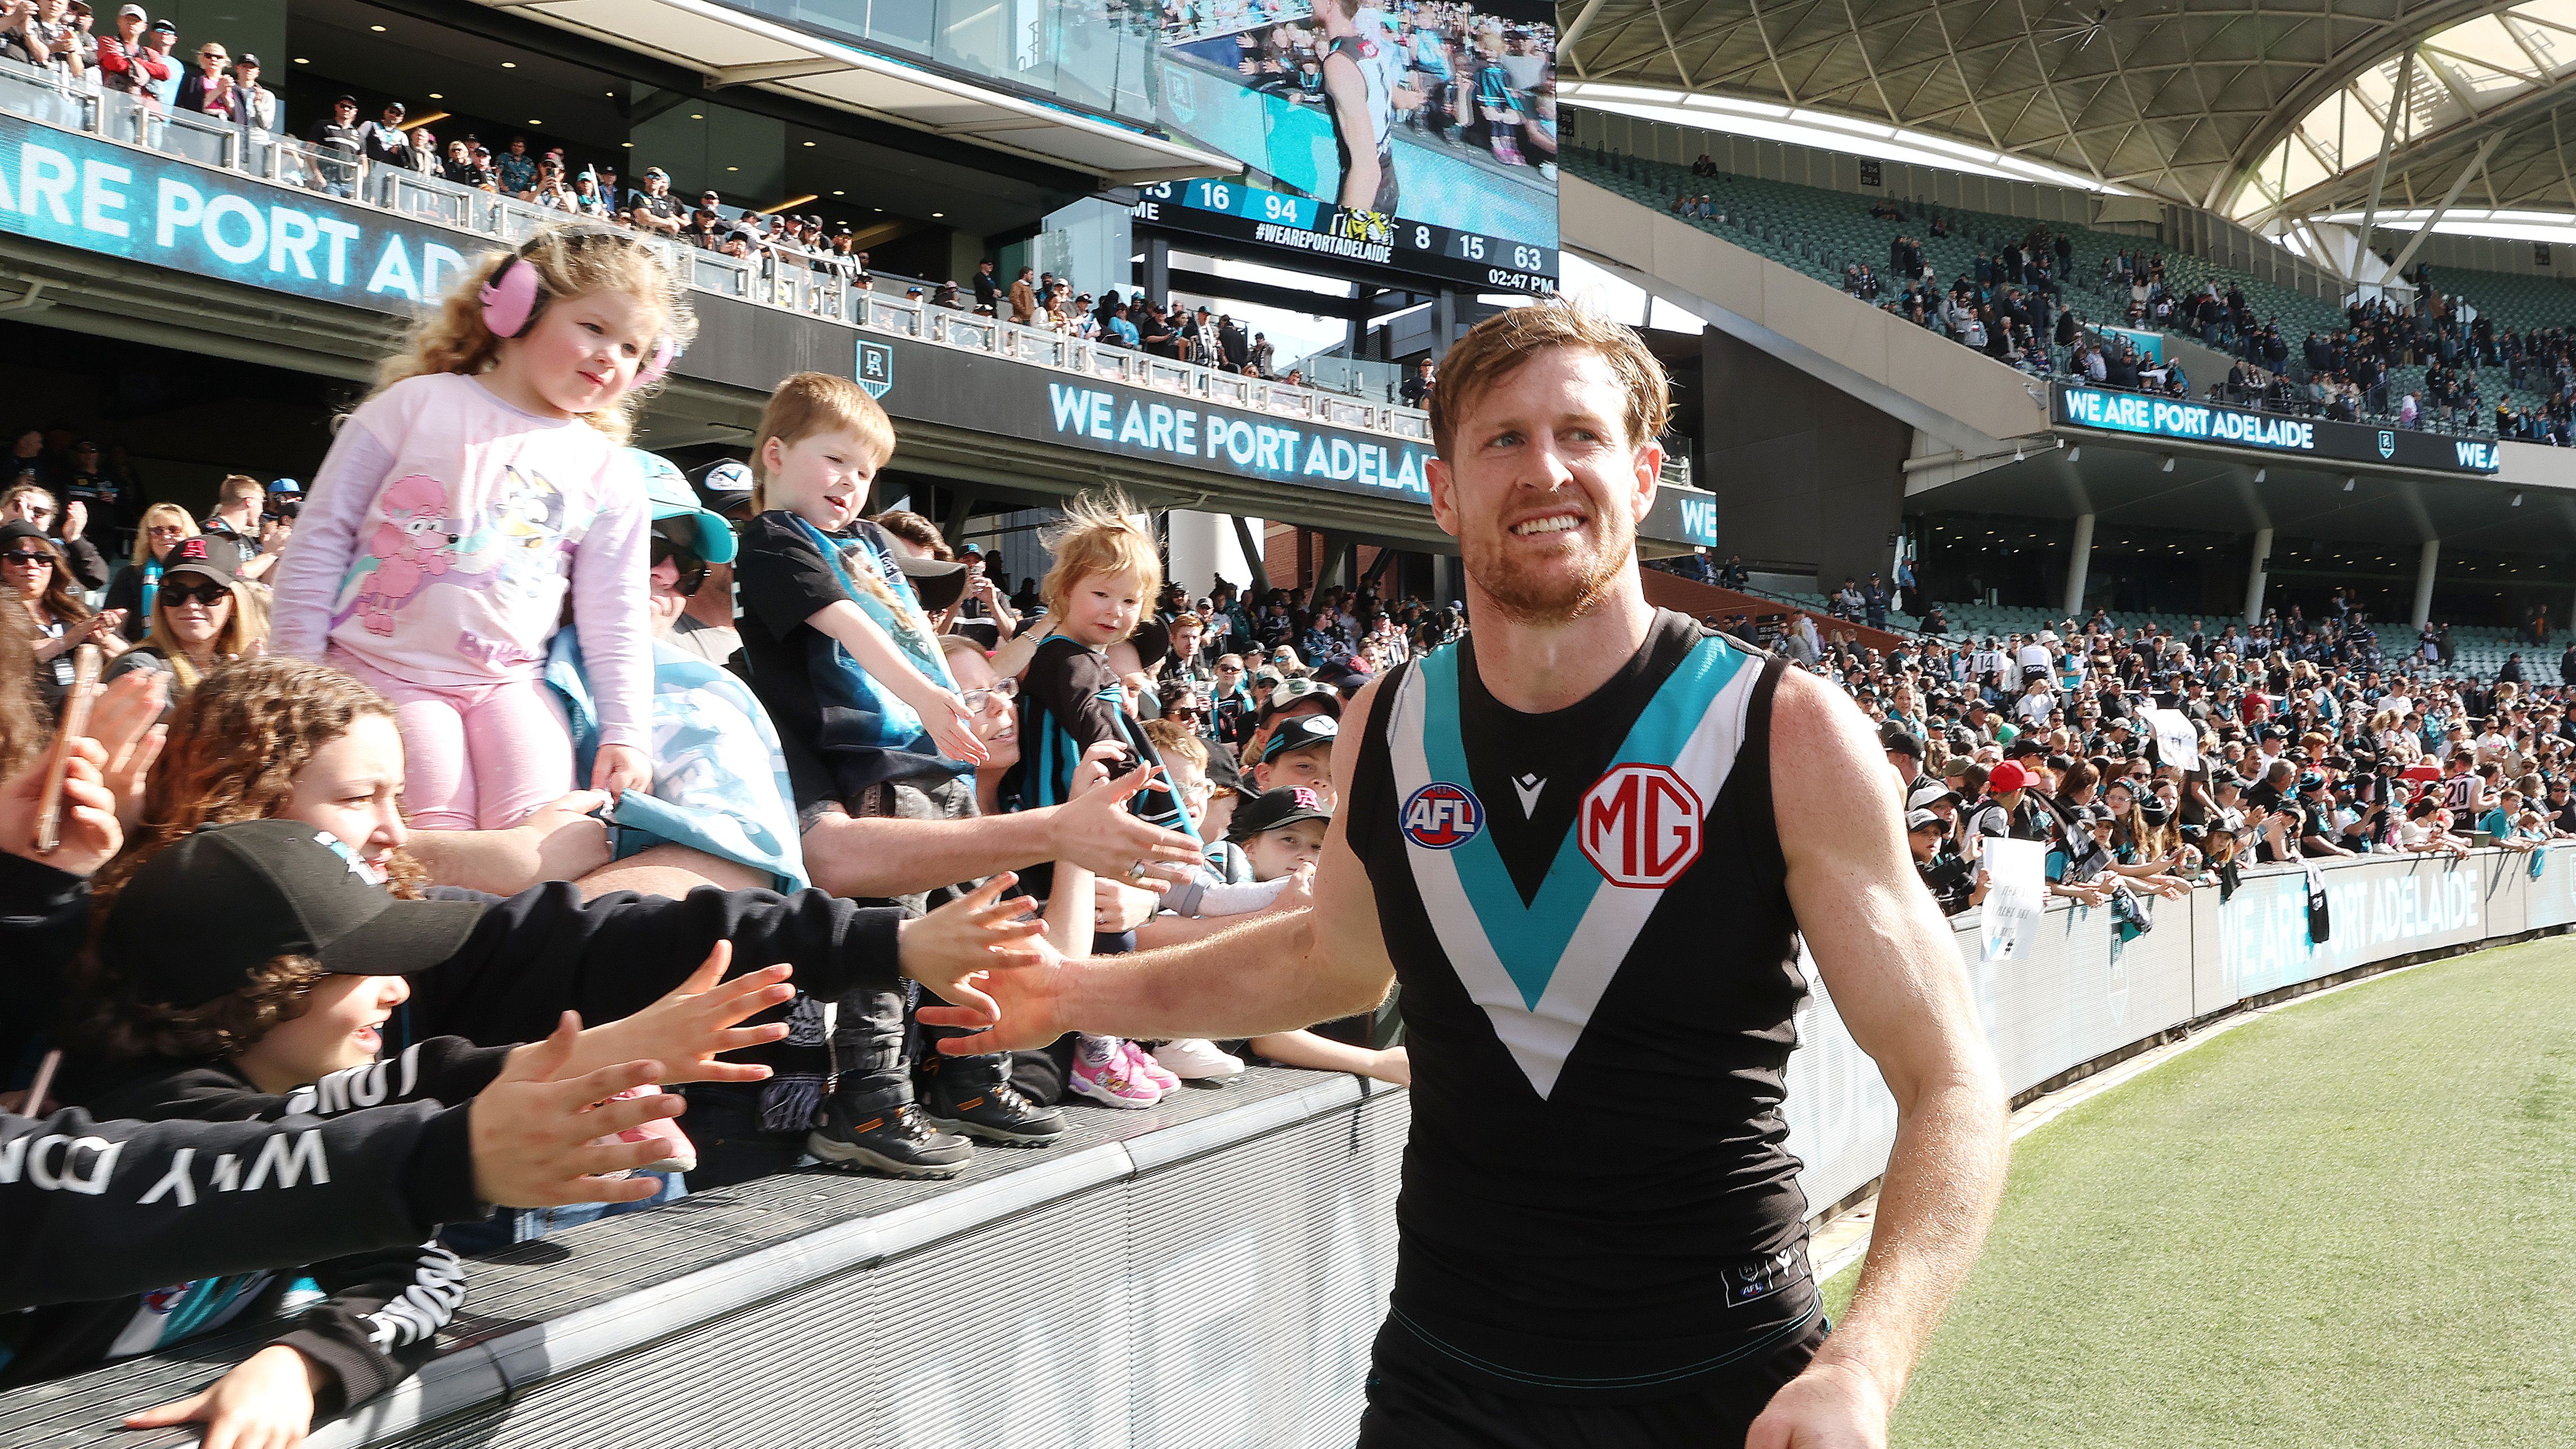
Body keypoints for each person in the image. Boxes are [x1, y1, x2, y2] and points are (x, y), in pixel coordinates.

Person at [923, 298, 2008, 1446]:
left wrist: (1864, 1367)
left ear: (1642, 477)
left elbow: (1949, 1081)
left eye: (1580, 435)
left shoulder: (1785, 729)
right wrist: (1073, 992)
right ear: (1443, 492)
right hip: (1447, 1380)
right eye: (1503, 439)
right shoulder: (1388, 721)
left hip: (1719, 1374)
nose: (1545, 469)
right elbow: (1328, 959)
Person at [268, 225, 693, 832]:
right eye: (594, 328)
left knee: (546, 834)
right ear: (519, 307)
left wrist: (627, 731)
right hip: (382, 673)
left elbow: (616, 614)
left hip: (514, 685)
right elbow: (318, 544)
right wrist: (296, 679)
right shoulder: (410, 407)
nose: (611, 356)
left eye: (633, 348)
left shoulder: (611, 472)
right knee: (428, 833)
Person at [101, 535, 258, 696]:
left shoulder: (235, 665)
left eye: (209, 594)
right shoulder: (141, 669)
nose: (191, 605)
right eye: (175, 594)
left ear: (235, 605)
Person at [5, 522, 124, 702]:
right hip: (25, 709)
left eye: (43, 558)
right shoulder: (4, 613)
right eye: (18, 558)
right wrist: (67, 640)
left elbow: (129, 657)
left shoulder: (75, 609)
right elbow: (11, 657)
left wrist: (102, 636)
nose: (32, 565)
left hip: (85, 707)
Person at [1315, 0, 1399, 213]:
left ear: (1330, 3)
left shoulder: (1339, 63)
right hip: (1386, 181)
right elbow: (1397, 98)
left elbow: (1367, 170)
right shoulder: (1365, 46)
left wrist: (1348, 229)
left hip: (1368, 195)